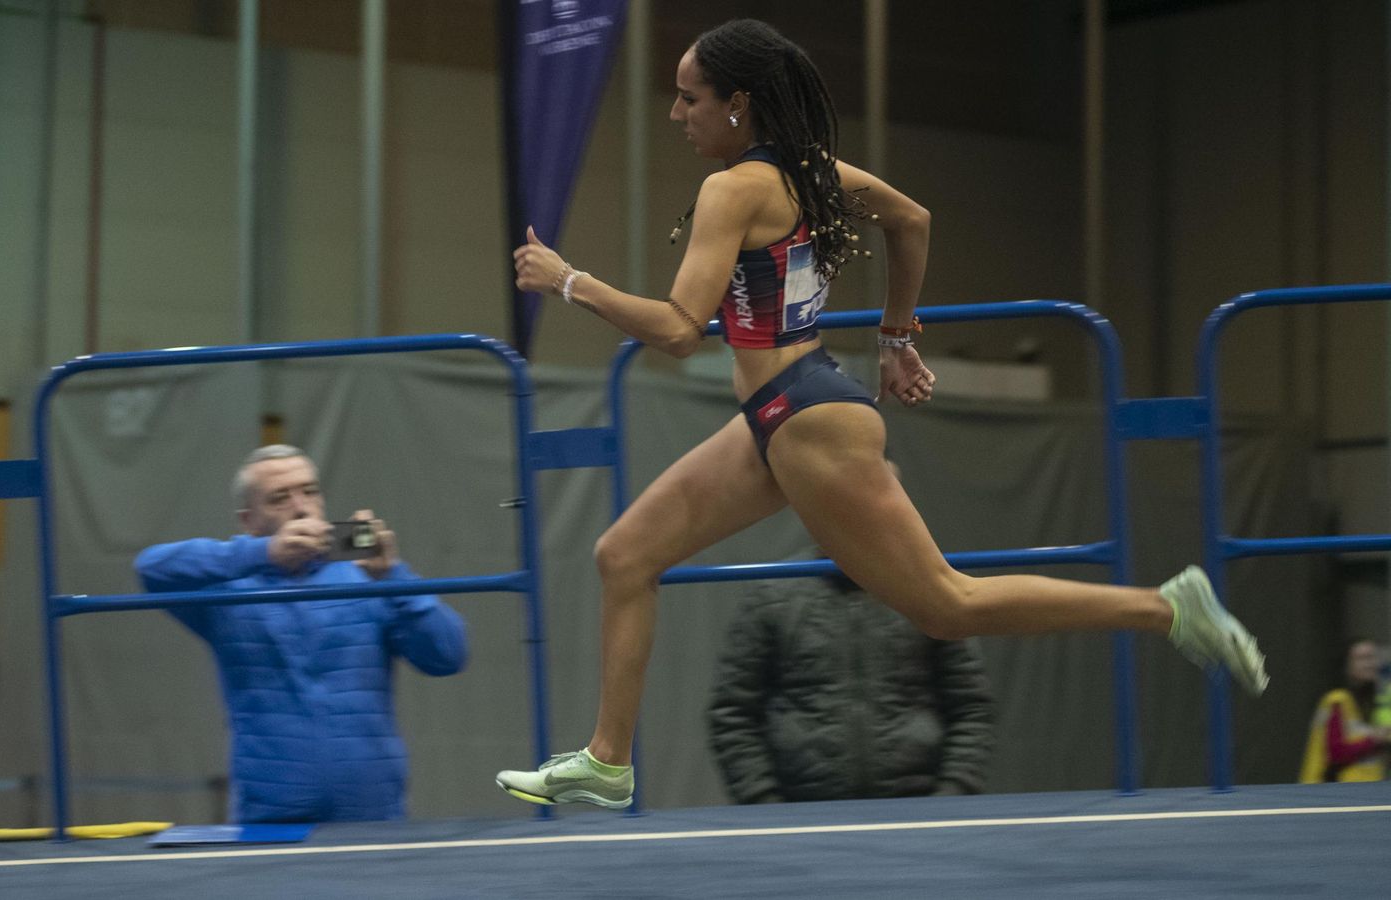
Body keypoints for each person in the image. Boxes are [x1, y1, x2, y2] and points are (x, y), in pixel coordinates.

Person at [495, 18, 1267, 811]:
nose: (675, 113)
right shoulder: (811, 172)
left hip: (808, 419)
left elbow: (679, 331)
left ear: (739, 105)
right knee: (625, 555)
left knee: (946, 607)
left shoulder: (731, 190)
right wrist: (895, 337)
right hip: (783, 413)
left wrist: (568, 281)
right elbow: (913, 219)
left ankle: (1168, 608)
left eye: (690, 98)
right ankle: (608, 762)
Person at [134, 444, 468, 823]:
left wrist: (395, 577)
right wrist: (262, 553)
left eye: (310, 491)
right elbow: (151, 567)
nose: (302, 506)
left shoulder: (368, 576)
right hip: (268, 818)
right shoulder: (227, 589)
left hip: (374, 812)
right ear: (249, 521)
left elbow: (449, 656)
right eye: (280, 498)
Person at [707, 544, 994, 804]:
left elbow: (971, 706)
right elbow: (733, 712)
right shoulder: (771, 595)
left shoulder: (931, 589)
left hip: (919, 808)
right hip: (802, 813)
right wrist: (766, 805)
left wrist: (951, 797)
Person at [1299, 639, 1389, 783]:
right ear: (1347, 665)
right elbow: (1336, 753)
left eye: (1373, 657)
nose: (1370, 664)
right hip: (1342, 793)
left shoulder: (1375, 701)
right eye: (1362, 658)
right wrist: (1375, 739)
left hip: (1373, 788)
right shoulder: (1337, 701)